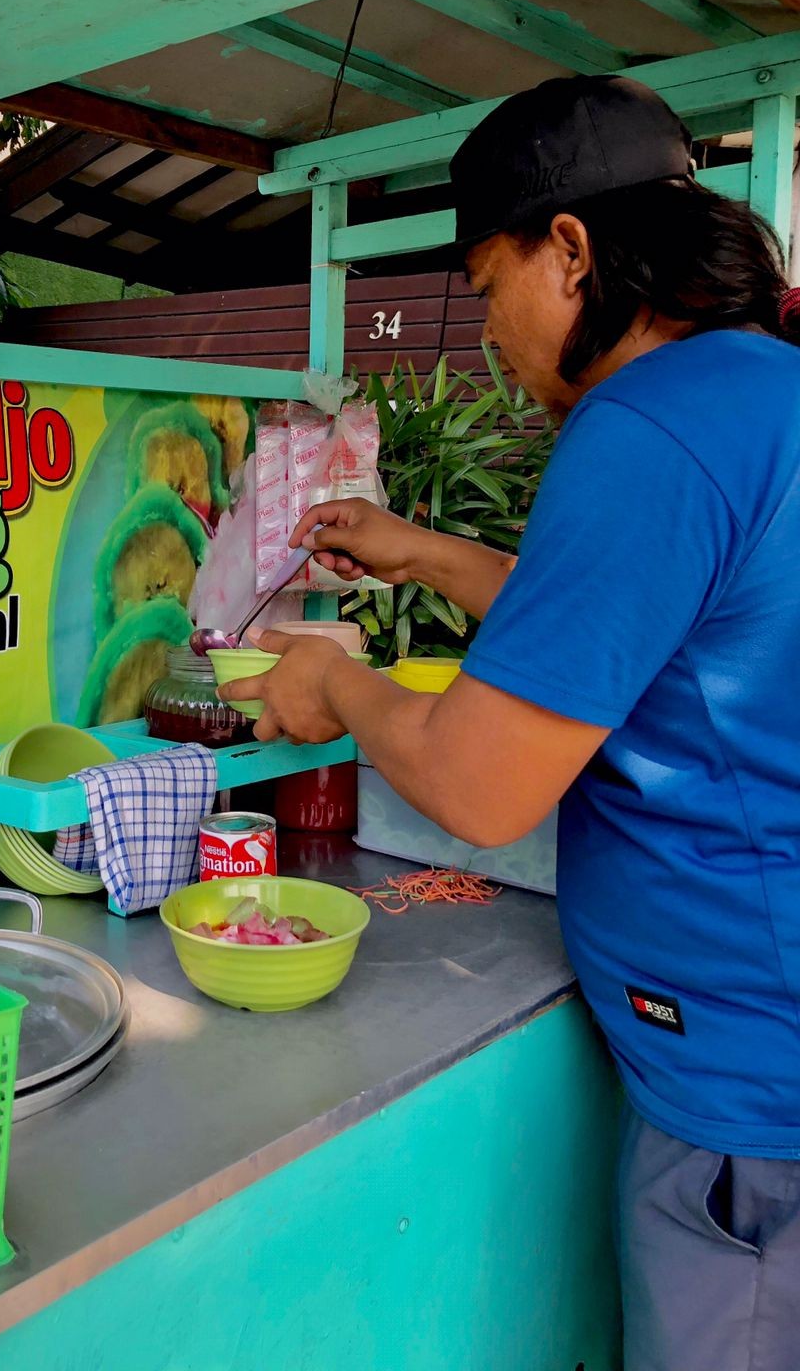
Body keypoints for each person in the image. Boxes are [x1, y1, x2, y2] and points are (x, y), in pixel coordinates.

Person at [219, 76, 800, 1371]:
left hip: (753, 1097)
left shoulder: (646, 426)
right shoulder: (761, 392)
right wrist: (417, 552)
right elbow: (648, 640)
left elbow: (482, 787)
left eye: (487, 286)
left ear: (574, 250)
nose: (487, 333)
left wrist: (333, 685)